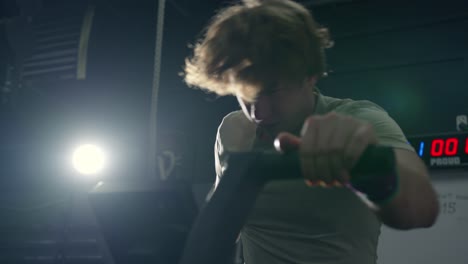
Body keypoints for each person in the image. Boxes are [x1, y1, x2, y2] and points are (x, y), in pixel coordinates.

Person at [182, 0, 439, 263]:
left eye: (272, 91)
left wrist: (366, 166)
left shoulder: (362, 120)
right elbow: (225, 229)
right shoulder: (233, 129)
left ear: (310, 75)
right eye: (246, 95)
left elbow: (423, 211)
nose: (259, 113)